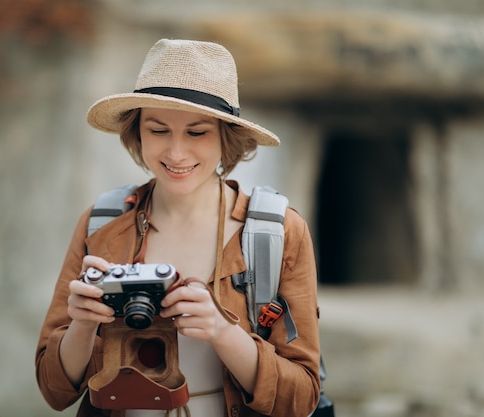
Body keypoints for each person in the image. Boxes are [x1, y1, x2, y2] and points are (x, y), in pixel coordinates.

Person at [35, 38, 321, 417]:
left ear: (226, 136)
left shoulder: (278, 232)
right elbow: (54, 392)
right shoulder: (100, 224)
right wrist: (83, 327)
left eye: (197, 132)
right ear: (137, 133)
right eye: (158, 130)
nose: (176, 153)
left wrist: (223, 331)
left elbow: (301, 399)